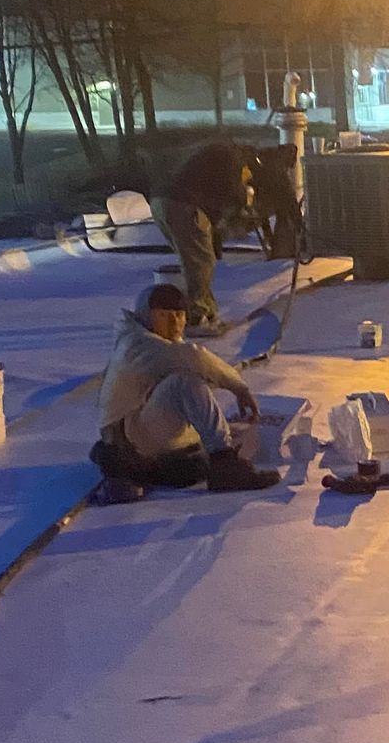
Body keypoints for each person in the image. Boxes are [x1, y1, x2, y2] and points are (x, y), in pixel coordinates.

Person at [90, 281, 281, 499]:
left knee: (189, 387)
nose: (174, 322)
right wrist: (240, 389)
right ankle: (224, 463)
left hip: (139, 428)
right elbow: (195, 358)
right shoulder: (140, 344)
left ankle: (217, 453)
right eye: (163, 315)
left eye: (179, 315)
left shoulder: (144, 339)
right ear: (146, 315)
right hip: (130, 438)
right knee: (184, 383)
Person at [155, 140, 257, 335]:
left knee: (197, 260)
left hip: (161, 201)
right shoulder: (233, 160)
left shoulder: (216, 155)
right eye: (248, 175)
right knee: (200, 262)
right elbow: (235, 192)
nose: (247, 179)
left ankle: (207, 312)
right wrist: (243, 205)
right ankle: (196, 318)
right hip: (182, 204)